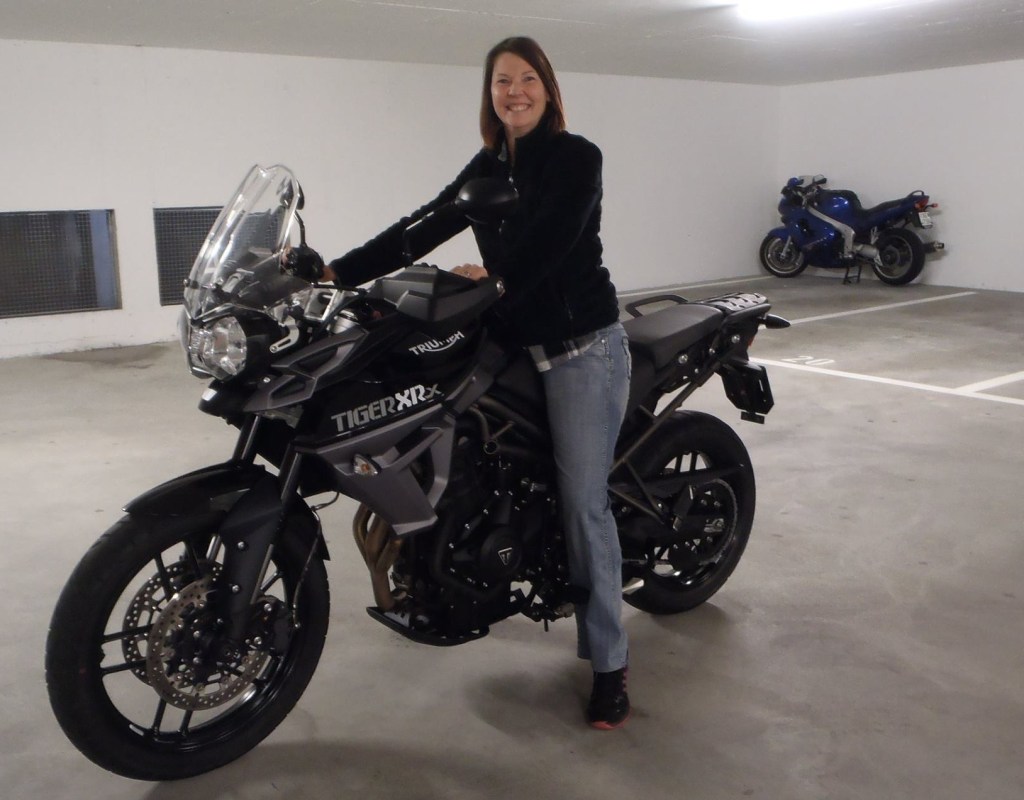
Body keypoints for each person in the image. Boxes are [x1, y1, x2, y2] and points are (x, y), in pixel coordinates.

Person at [292, 36, 632, 730]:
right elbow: (420, 228)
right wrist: (336, 275)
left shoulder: (576, 157)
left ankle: (609, 663)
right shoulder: (489, 164)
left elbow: (554, 238)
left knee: (583, 503)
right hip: (507, 337)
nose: (515, 92)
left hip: (579, 350)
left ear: (548, 88)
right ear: (489, 93)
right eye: (502, 81)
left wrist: (497, 279)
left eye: (527, 79)